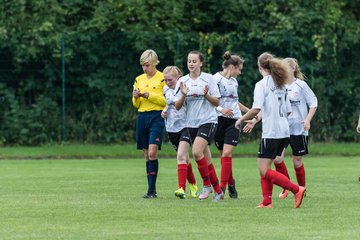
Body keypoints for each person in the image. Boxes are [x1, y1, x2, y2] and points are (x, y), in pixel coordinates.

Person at [235, 52, 306, 208]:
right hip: (284, 131)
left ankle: (296, 189)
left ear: (260, 67)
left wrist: (240, 119)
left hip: (272, 132)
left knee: (263, 169)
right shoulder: (281, 83)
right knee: (264, 167)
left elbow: (256, 108)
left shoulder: (262, 84)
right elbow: (288, 111)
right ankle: (267, 201)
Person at [174, 50, 224, 201]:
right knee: (206, 160)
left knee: (196, 152)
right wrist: (183, 94)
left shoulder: (208, 79)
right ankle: (218, 190)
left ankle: (207, 185)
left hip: (208, 121)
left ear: (201, 63)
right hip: (191, 124)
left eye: (194, 61)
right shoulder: (182, 81)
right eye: (189, 61)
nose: (191, 64)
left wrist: (206, 95)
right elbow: (177, 106)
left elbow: (217, 102)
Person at [273, 57, 318, 199]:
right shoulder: (278, 86)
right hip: (283, 129)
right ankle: (287, 187)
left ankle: (301, 189)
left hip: (299, 129)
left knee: (297, 160)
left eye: (285, 67)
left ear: (293, 68)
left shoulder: (301, 85)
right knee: (277, 159)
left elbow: (313, 103)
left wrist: (307, 120)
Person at [213, 51, 249, 199]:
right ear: (232, 67)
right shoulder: (215, 79)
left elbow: (235, 103)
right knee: (223, 155)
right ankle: (231, 182)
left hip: (234, 120)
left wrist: (250, 112)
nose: (240, 72)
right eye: (239, 69)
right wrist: (221, 109)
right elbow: (210, 101)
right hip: (219, 120)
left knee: (227, 153)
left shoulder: (234, 82)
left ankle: (221, 189)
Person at [161, 66, 199, 199]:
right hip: (172, 128)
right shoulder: (165, 89)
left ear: (177, 78)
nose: (167, 82)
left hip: (186, 125)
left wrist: (183, 94)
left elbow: (178, 106)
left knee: (181, 156)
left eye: (170, 80)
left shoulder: (184, 87)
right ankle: (193, 185)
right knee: (186, 160)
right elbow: (169, 103)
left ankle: (181, 188)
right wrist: (164, 111)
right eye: (165, 80)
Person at [132, 49, 166, 198]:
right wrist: (135, 97)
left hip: (156, 117)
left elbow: (166, 101)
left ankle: (152, 190)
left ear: (154, 63)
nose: (145, 68)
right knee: (146, 154)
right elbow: (136, 104)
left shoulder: (163, 78)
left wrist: (149, 95)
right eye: (143, 65)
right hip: (142, 117)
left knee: (152, 152)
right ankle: (151, 190)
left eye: (147, 65)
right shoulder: (138, 79)